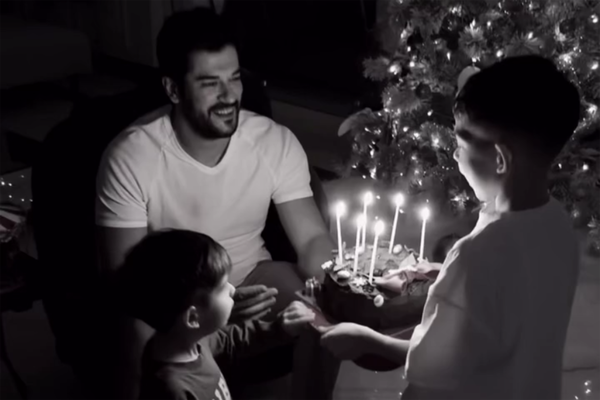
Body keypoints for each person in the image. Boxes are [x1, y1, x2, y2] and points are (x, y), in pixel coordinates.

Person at [95, 8, 335, 400]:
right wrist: (204, 309)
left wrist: (335, 291)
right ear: (173, 89)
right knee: (141, 336)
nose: (229, 96)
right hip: (176, 295)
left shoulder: (273, 141)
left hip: (254, 277)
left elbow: (311, 240)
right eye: (210, 83)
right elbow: (125, 281)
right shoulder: (131, 156)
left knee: (322, 314)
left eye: (235, 78)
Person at [317, 55, 581, 400]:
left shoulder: (474, 254)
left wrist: (367, 341)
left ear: (500, 159)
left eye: (461, 145)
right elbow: (516, 293)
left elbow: (433, 364)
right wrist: (444, 273)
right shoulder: (558, 225)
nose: (455, 156)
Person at [115, 229, 315, 400]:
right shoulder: (172, 389)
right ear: (193, 318)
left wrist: (279, 327)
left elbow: (230, 341)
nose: (232, 290)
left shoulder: (191, 341)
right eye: (222, 287)